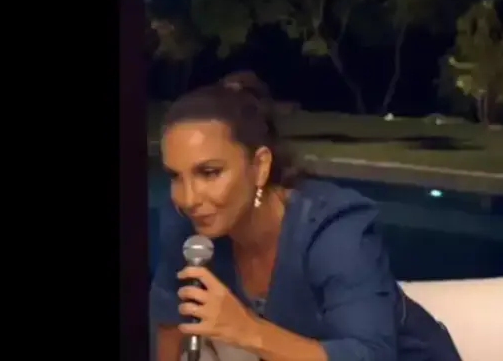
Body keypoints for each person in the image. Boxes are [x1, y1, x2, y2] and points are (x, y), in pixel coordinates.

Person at [150, 71, 462, 361]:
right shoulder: (188, 227)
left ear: (259, 166)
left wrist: (247, 330)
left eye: (209, 172)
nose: (188, 198)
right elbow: (169, 320)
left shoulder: (333, 230)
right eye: (175, 176)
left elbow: (371, 355)